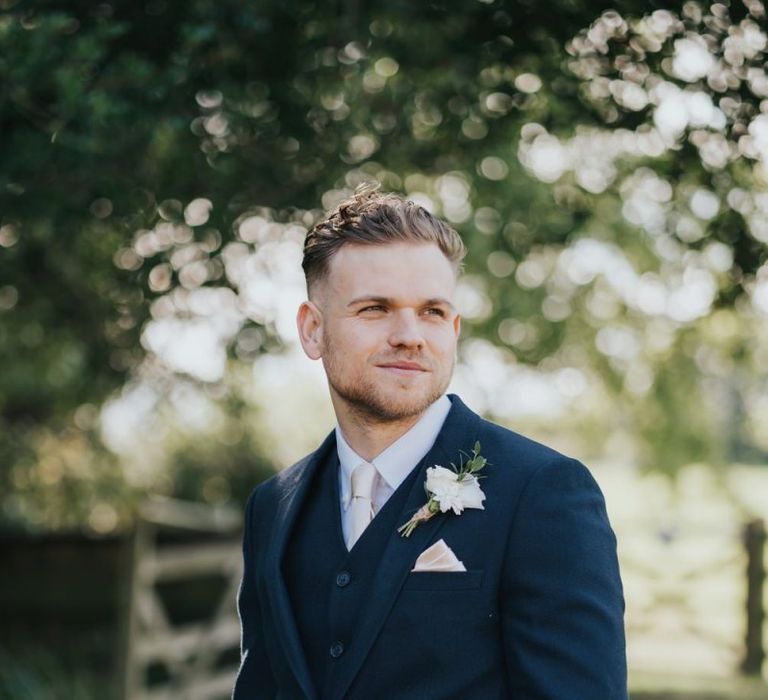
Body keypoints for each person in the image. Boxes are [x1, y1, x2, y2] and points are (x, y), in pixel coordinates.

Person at [233, 185, 627, 699]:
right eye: (375, 308)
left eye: (433, 312)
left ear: (454, 329)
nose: (410, 335)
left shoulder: (544, 493)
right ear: (312, 330)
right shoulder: (273, 507)